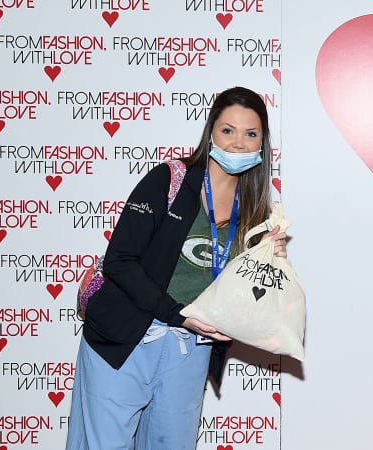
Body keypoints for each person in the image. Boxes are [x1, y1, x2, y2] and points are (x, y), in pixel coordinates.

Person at [66, 86, 286, 450]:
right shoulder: (170, 180)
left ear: (262, 144)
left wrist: (265, 262)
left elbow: (242, 301)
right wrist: (178, 314)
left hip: (190, 349)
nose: (237, 144)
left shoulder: (255, 211)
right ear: (210, 132)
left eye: (251, 134)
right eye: (227, 130)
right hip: (125, 337)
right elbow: (121, 261)